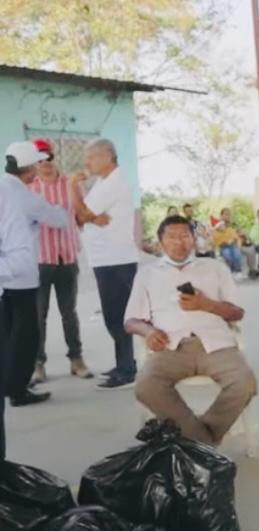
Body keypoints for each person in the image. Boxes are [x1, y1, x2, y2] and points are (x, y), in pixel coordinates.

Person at [125, 215, 257, 444]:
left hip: (215, 344)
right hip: (170, 346)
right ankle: (203, 442)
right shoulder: (148, 274)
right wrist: (148, 332)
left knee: (245, 384)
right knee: (146, 387)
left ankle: (197, 441)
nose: (179, 242)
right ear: (160, 242)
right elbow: (130, 321)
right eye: (172, 237)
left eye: (185, 236)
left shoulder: (215, 268)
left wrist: (206, 304)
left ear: (194, 239)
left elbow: (237, 313)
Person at [69, 138, 140, 390]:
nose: (87, 163)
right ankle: (124, 363)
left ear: (107, 156)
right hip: (106, 259)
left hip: (115, 259)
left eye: (91, 157)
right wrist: (90, 217)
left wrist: (73, 187)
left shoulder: (113, 182)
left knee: (117, 317)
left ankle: (127, 371)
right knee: (114, 315)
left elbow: (82, 213)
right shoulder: (103, 182)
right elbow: (84, 216)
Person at [1, 142, 68, 406]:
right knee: (26, 336)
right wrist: (63, 207)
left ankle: (9, 383)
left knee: (8, 335)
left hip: (5, 280)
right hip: (21, 278)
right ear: (28, 169)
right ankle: (18, 390)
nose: (38, 171)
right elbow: (58, 219)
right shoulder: (25, 197)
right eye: (36, 166)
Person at [29, 139, 93, 385]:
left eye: (48, 157)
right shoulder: (29, 188)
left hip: (67, 257)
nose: (45, 163)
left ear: (54, 158)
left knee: (69, 313)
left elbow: (81, 216)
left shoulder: (70, 184)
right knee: (38, 315)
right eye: (39, 159)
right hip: (40, 260)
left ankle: (76, 360)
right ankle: (38, 364)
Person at [1, 145, 39, 454]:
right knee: (23, 335)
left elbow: (20, 259)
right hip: (19, 284)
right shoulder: (16, 195)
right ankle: (16, 387)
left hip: (16, 283)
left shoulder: (10, 195)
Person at [213, 208, 245, 280]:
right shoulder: (216, 232)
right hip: (223, 248)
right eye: (225, 214)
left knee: (236, 253)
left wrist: (237, 243)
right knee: (227, 254)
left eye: (229, 214)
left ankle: (238, 271)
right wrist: (225, 243)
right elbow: (216, 243)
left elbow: (237, 238)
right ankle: (233, 271)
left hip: (233, 246)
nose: (222, 227)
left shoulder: (230, 229)